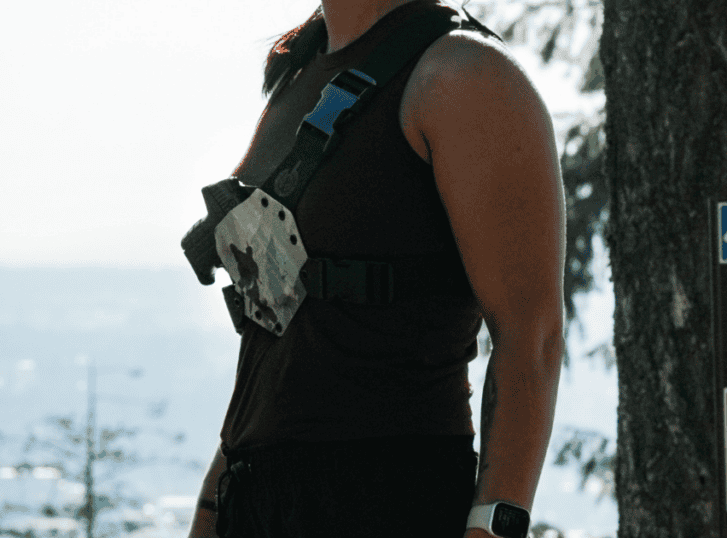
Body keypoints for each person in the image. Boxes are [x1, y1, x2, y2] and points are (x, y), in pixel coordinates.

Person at [188, 0, 566, 536]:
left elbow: (533, 335)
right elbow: (277, 352)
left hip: (387, 496)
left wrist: (492, 526)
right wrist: (212, 511)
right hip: (256, 500)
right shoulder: (299, 72)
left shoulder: (462, 75)